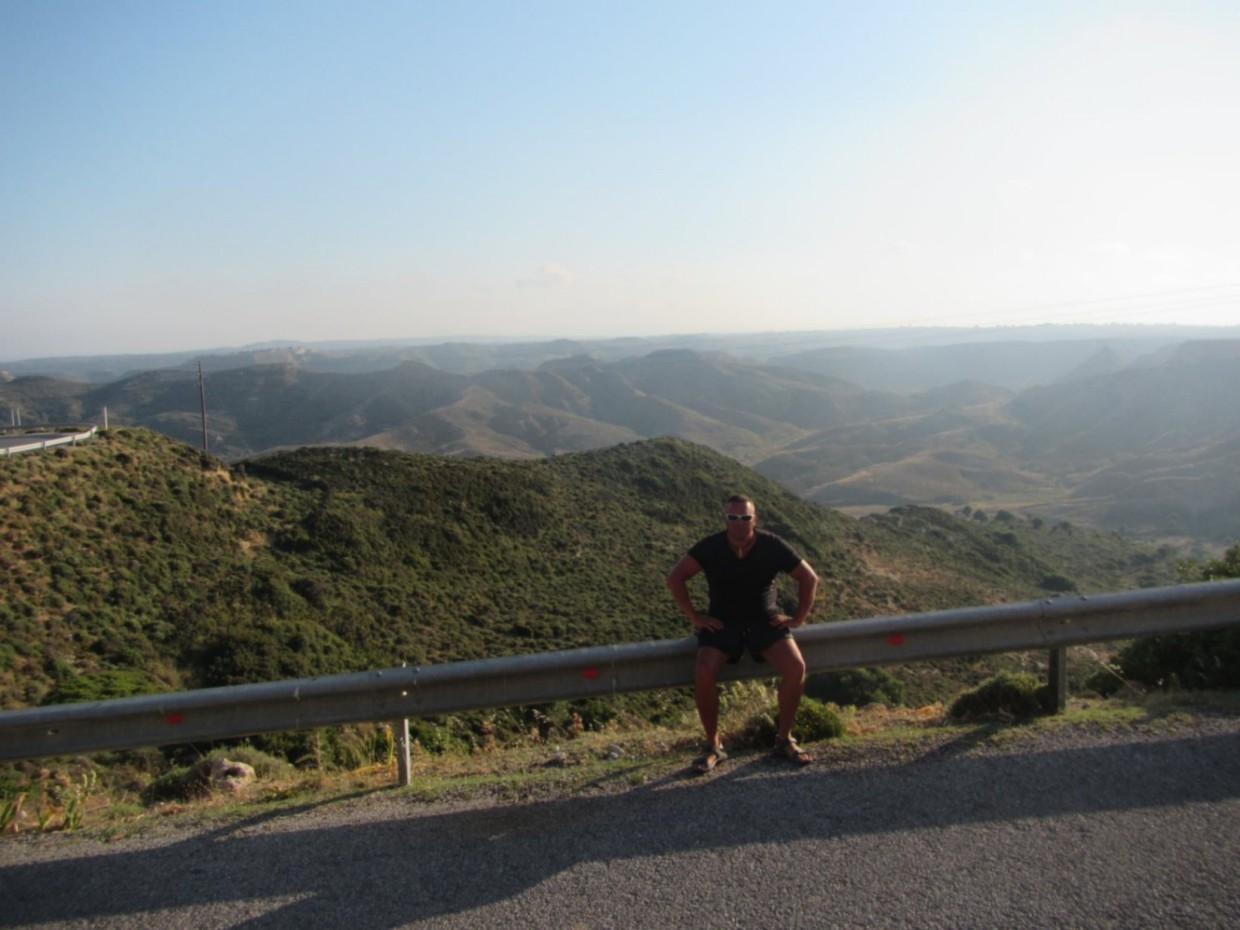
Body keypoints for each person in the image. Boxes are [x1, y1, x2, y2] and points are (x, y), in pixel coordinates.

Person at [666, 494, 819, 772]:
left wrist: (798, 618)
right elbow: (675, 577)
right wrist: (695, 617)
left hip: (765, 620)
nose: (739, 522)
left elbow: (809, 578)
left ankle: (784, 739)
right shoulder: (711, 546)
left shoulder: (771, 544)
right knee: (703, 670)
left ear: (755, 519)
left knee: (796, 667)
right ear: (725, 519)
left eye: (745, 517)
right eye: (733, 517)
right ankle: (713, 746)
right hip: (722, 622)